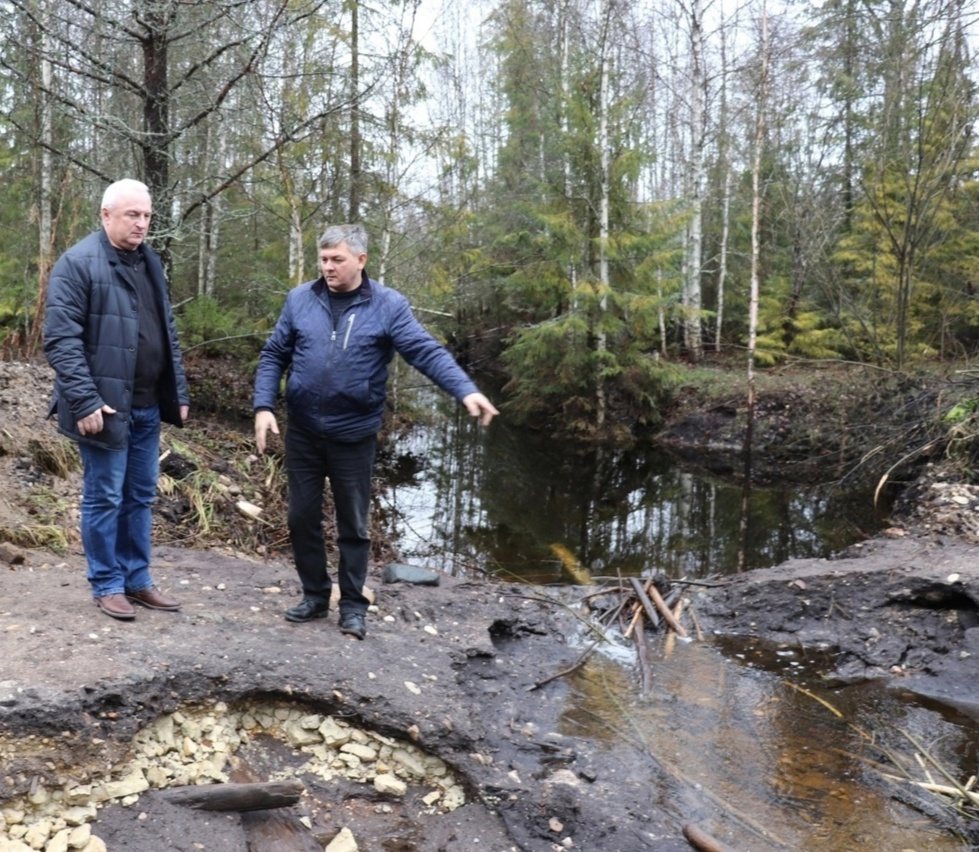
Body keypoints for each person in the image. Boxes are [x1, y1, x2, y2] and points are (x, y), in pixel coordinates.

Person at [253, 224, 498, 640]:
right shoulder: (300, 299)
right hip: (304, 432)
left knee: (354, 524)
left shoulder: (387, 305)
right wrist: (263, 405)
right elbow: (275, 352)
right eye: (324, 259)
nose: (328, 267)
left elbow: (425, 351)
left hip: (353, 435)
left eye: (337, 260)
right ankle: (315, 595)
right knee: (301, 518)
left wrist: (464, 389)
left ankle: (352, 605)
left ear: (361, 260)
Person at [44, 178, 190, 621]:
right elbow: (60, 340)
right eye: (133, 215)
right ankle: (107, 584)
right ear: (106, 215)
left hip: (146, 405)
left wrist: (177, 391)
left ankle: (137, 580)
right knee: (104, 496)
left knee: (140, 495)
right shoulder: (78, 264)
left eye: (146, 215)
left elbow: (167, 333)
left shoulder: (150, 263)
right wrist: (85, 400)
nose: (142, 223)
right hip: (103, 408)